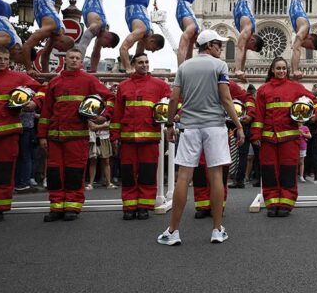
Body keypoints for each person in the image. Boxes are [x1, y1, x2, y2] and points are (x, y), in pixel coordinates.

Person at [158, 30, 243, 245]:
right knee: (216, 176)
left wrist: (169, 124)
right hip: (215, 126)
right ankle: (217, 229)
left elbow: (174, 98)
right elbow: (225, 98)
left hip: (189, 127)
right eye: (219, 45)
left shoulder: (184, 67)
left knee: (184, 177)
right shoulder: (219, 66)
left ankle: (173, 231)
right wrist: (238, 124)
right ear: (210, 46)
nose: (221, 49)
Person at [38, 48, 113, 222]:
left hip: (77, 138)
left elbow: (110, 98)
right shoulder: (55, 82)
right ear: (65, 60)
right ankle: (56, 207)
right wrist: (42, 135)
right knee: (55, 174)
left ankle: (72, 207)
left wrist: (104, 116)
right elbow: (46, 111)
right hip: (54, 138)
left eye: (77, 58)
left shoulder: (89, 80)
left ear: (81, 62)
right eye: (71, 57)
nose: (74, 60)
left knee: (74, 173)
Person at [250, 57, 317, 217]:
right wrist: (255, 134)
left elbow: (314, 101)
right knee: (269, 172)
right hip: (268, 140)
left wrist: (315, 114)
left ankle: (286, 204)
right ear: (272, 70)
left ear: (287, 71)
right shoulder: (263, 90)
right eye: (278, 68)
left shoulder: (296, 87)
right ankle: (272, 203)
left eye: (284, 68)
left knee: (287, 172)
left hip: (289, 140)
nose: (281, 71)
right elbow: (259, 115)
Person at [110, 53, 171, 220]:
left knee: (147, 173)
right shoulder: (123, 86)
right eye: (140, 62)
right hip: (128, 139)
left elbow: (173, 101)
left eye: (147, 62)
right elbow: (117, 113)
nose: (144, 65)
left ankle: (144, 206)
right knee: (129, 174)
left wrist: (173, 116)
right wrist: (114, 136)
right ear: (133, 64)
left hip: (150, 139)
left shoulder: (159, 85)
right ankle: (129, 207)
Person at [0, 48, 43, 223]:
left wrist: (34, 102)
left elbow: (41, 90)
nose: (3, 61)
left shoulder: (17, 78)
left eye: (6, 59)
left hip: (7, 134)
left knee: (2, 172)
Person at [193, 79, 253, 217]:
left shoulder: (227, 83)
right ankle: (202, 205)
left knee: (220, 169)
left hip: (220, 130)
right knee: (201, 169)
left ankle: (218, 205)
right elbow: (182, 99)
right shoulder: (196, 80)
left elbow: (247, 98)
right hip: (198, 129)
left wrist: (249, 113)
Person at [86, 119, 116, 190]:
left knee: (106, 161)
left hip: (105, 137)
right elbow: (91, 127)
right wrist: (103, 125)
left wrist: (96, 125)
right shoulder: (92, 110)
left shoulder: (108, 110)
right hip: (93, 138)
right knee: (93, 161)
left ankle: (109, 183)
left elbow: (109, 125)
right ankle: (90, 184)